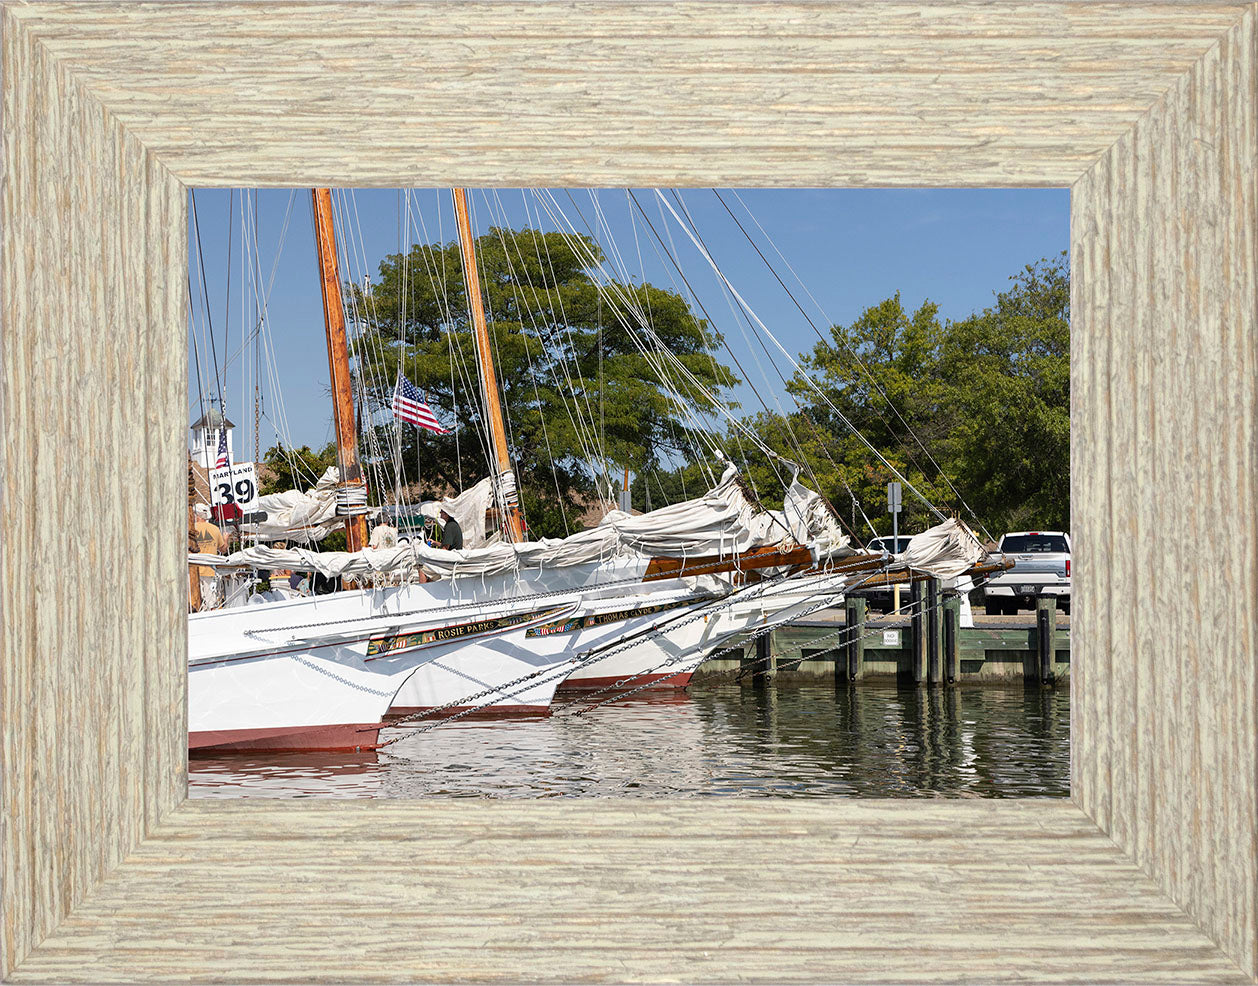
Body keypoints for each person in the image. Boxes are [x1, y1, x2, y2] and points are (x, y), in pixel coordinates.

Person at [189, 503, 228, 610]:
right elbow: (223, 549)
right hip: (210, 571)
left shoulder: (190, 529)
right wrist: (225, 539)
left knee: (194, 602)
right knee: (211, 602)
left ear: (196, 515)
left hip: (193, 571)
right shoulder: (215, 529)